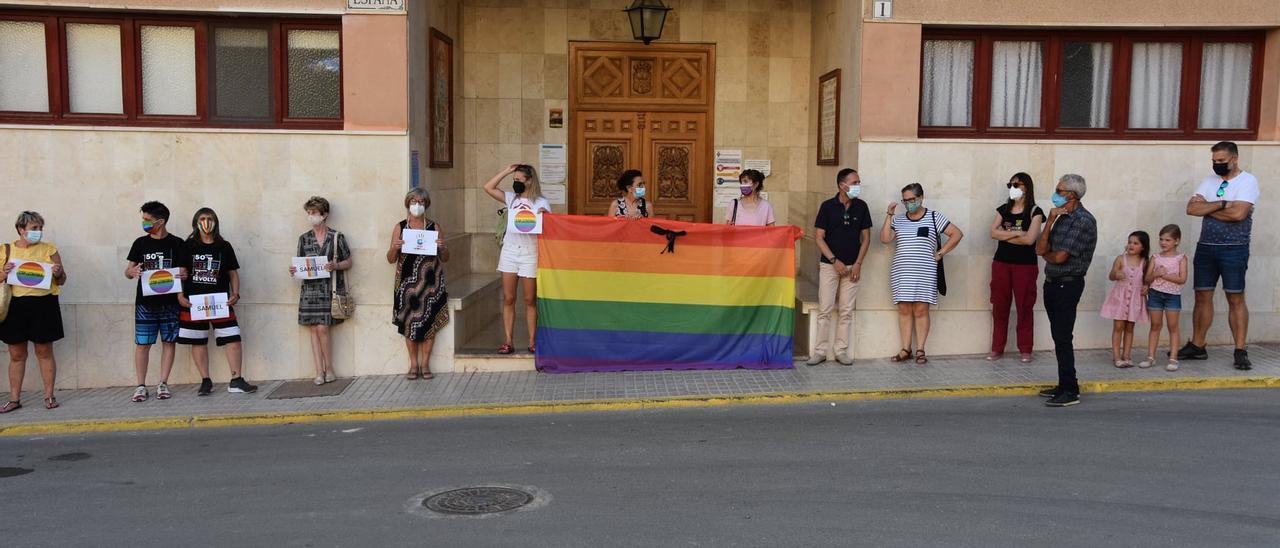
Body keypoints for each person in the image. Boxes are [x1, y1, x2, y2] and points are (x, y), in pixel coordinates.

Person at [1179, 141, 1259, 370]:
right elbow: (1191, 209)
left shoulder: (1248, 181)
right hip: (1206, 247)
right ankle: (1198, 345)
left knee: (1235, 297)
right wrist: (1223, 204)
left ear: (1234, 159)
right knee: (1202, 296)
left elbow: (1239, 214)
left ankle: (1240, 349)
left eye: (1221, 161)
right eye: (1214, 161)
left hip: (1235, 248)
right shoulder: (1209, 180)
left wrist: (1210, 208)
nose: (1217, 165)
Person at [879, 183, 963, 365]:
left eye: (912, 199)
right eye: (905, 200)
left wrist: (940, 253)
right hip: (902, 272)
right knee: (904, 309)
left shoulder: (934, 217)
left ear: (921, 197)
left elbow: (956, 234)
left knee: (921, 310)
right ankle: (905, 348)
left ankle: (920, 349)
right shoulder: (899, 220)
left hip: (925, 272)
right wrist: (889, 214)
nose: (909, 203)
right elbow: (885, 239)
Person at [176, 207, 257, 395]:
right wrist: (179, 296)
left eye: (210, 218)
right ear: (196, 221)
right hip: (194, 302)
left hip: (220, 301)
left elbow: (233, 273)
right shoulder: (187, 246)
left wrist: (235, 294)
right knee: (198, 341)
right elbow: (179, 274)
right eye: (203, 218)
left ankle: (236, 379)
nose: (206, 222)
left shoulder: (224, 246)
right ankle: (205, 380)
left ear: (216, 222)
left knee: (233, 338)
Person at [1036, 174, 1097, 407]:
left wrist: (1049, 256)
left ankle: (1070, 390)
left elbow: (1059, 256)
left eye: (1059, 190)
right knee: (1058, 336)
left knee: (1063, 337)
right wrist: (1049, 222)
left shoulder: (1082, 221)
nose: (1055, 193)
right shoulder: (1060, 217)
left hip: (1068, 283)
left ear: (1072, 195)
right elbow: (1040, 248)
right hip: (1052, 281)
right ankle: (1063, 384)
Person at [0, 211, 66, 413]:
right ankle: (14, 398)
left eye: (40, 228)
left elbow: (62, 279)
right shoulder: (6, 250)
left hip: (43, 305)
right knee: (16, 354)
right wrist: (4, 272)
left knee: (44, 352)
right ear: (21, 229)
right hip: (15, 306)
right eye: (34, 228)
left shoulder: (49, 249)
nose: (38, 232)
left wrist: (58, 273)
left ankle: (49, 395)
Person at [483, 164, 551, 354]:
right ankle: (508, 341)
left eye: (519, 180)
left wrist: (546, 217)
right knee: (508, 298)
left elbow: (549, 228)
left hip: (530, 253)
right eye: (515, 180)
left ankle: (532, 342)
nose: (516, 183)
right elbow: (488, 187)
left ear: (529, 180)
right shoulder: (511, 198)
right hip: (510, 252)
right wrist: (506, 171)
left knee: (529, 299)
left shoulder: (541, 202)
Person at [124, 201, 187, 402]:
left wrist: (184, 274)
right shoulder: (140, 243)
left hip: (170, 303)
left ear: (161, 221)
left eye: (147, 220)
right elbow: (127, 271)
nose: (144, 223)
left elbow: (185, 271)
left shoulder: (177, 243)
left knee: (169, 342)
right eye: (143, 219)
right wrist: (131, 272)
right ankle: (141, 385)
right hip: (145, 303)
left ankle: (163, 383)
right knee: (143, 344)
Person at [809, 168, 872, 366]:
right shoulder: (827, 207)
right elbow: (819, 237)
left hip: (853, 267)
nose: (857, 186)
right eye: (854, 183)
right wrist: (834, 260)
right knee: (825, 309)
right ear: (842, 185)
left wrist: (858, 264)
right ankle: (819, 351)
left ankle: (841, 350)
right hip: (829, 266)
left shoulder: (861, 207)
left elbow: (866, 238)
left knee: (846, 310)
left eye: (858, 182)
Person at [387, 189, 450, 380]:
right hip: (407, 284)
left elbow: (445, 258)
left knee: (429, 323)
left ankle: (425, 365)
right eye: (414, 201)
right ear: (407, 203)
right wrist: (394, 248)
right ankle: (413, 364)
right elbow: (390, 259)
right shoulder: (400, 227)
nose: (417, 204)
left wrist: (443, 247)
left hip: (431, 284)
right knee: (409, 323)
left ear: (426, 204)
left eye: (421, 201)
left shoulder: (433, 227)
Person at [289, 196, 352, 386]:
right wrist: (293, 270)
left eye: (314, 213)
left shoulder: (336, 237)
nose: (311, 216)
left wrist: (336, 265)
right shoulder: (304, 238)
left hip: (328, 289)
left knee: (323, 328)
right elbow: (299, 263)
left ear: (324, 215)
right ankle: (318, 371)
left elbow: (349, 261)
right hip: (309, 290)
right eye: (308, 213)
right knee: (313, 330)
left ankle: (329, 368)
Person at [987, 172, 1044, 363]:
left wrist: (1007, 232)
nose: (1012, 188)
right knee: (999, 306)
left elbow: (1030, 240)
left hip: (1025, 266)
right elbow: (993, 233)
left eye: (1016, 184)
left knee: (1024, 307)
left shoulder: (1035, 211)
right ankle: (997, 348)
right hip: (1001, 263)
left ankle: (1025, 349)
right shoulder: (1003, 209)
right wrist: (1018, 232)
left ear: (1026, 187)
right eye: (1009, 184)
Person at [1101, 231, 1150, 368]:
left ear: (1143, 247)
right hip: (1120, 298)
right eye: (1129, 242)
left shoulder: (1145, 262)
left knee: (1130, 327)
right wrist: (1116, 274)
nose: (1131, 245)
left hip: (1135, 299)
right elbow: (1111, 275)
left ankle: (1127, 355)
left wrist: (1147, 286)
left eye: (1135, 243)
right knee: (1118, 327)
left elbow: (1147, 279)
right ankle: (1116, 356)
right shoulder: (1120, 259)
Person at [1142, 224, 1187, 371]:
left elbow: (1182, 279)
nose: (1163, 243)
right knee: (1155, 326)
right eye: (1161, 239)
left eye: (1167, 240)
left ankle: (1173, 358)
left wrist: (1165, 275)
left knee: (1172, 327)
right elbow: (1147, 278)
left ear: (1176, 241)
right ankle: (1150, 357)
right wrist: (1156, 274)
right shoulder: (1155, 257)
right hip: (1155, 294)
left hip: (1172, 296)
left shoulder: (1181, 258)